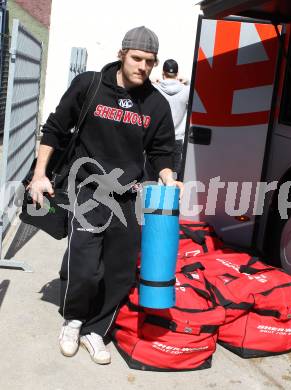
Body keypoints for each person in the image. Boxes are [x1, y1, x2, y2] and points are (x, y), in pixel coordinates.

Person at [28, 26, 183, 365]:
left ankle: (96, 330)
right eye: (137, 58)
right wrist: (40, 175)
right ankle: (74, 320)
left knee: (121, 270)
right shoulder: (90, 85)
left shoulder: (155, 103)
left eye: (150, 62)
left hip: (127, 197)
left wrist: (169, 177)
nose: (143, 67)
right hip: (86, 189)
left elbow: (162, 151)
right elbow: (54, 129)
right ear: (121, 54)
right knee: (84, 266)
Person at [154, 59, 190, 177]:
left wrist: (153, 81)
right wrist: (188, 82)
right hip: (177, 138)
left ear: (162, 73)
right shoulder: (186, 90)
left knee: (154, 173)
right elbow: (199, 89)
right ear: (177, 74)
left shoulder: (155, 89)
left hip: (157, 138)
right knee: (173, 175)